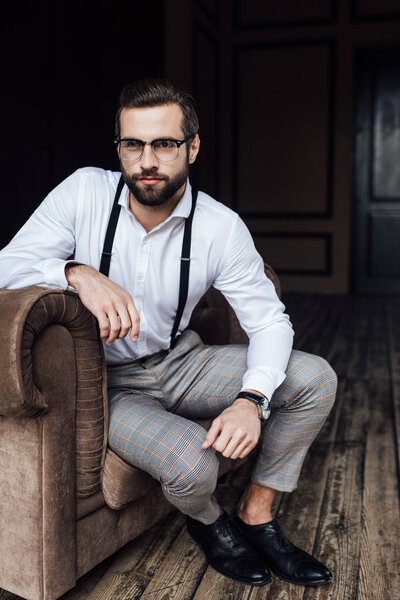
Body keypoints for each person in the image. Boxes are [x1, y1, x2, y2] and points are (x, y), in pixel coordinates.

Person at [0, 78, 337, 588]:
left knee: (315, 379)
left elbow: (269, 320)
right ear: (119, 147)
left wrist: (252, 398)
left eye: (164, 144)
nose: (147, 161)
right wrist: (75, 273)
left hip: (181, 361)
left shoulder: (219, 227)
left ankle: (256, 514)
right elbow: (8, 265)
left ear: (192, 147)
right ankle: (208, 522)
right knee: (192, 469)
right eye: (132, 145)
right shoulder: (84, 191)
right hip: (107, 386)